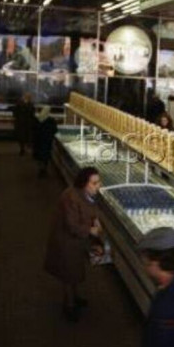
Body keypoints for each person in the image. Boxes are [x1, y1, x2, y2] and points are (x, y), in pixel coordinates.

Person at [44, 167, 103, 322]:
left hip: (75, 242)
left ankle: (75, 297)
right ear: (84, 183)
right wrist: (91, 230)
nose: (98, 186)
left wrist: (95, 219)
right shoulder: (70, 197)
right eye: (94, 183)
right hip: (66, 241)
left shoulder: (86, 194)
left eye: (98, 182)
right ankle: (69, 305)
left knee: (74, 271)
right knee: (68, 274)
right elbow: (72, 225)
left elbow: (90, 210)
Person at [33, 106, 58, 176]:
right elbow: (55, 130)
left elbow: (34, 129)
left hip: (38, 141)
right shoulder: (51, 120)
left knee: (39, 156)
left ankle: (40, 169)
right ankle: (44, 169)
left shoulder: (38, 119)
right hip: (47, 141)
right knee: (45, 156)